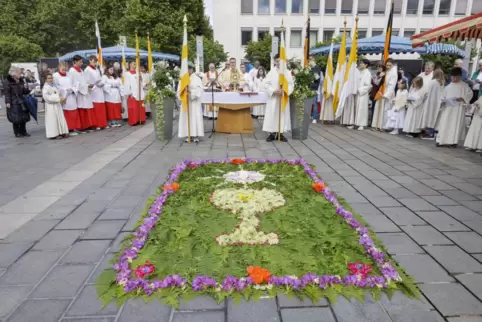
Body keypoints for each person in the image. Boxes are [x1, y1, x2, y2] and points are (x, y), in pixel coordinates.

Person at [436, 67, 473, 147]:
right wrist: (442, 101)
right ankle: (441, 140)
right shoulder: (447, 87)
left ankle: (453, 142)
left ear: (460, 76)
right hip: (447, 108)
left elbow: (470, 94)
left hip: (458, 109)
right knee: (444, 124)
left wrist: (462, 98)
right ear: (451, 76)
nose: (455, 79)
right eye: (453, 77)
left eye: (457, 77)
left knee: (455, 125)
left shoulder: (464, 86)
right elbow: (441, 97)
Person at [263, 54, 294, 142]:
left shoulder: (287, 73)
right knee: (272, 115)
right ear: (275, 62)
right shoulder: (271, 72)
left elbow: (291, 85)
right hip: (273, 98)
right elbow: (266, 84)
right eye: (277, 61)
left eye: (280, 61)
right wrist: (273, 90)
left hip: (283, 97)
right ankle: (272, 133)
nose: (279, 63)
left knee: (282, 114)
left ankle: (281, 133)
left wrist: (284, 91)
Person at [178, 63, 204, 143]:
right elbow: (179, 90)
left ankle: (195, 135)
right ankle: (187, 134)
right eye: (187, 69)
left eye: (190, 69)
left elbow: (200, 90)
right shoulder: (182, 79)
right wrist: (183, 92)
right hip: (186, 102)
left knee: (195, 117)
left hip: (194, 102)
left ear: (192, 69)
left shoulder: (197, 79)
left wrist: (191, 92)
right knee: (186, 117)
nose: (188, 70)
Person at [68, 55, 95, 131]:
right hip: (78, 93)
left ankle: (87, 125)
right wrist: (85, 86)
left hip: (84, 91)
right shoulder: (72, 71)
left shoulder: (81, 71)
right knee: (81, 109)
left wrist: (88, 85)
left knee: (86, 108)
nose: (82, 63)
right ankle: (81, 127)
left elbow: (84, 81)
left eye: (82, 61)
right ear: (75, 62)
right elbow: (73, 83)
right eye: (80, 62)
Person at [54, 62, 81, 136]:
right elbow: (56, 86)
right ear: (59, 67)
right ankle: (67, 129)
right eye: (63, 69)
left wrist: (72, 89)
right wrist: (64, 90)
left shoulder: (70, 75)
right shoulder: (55, 75)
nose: (64, 71)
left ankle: (73, 128)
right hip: (64, 97)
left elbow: (75, 84)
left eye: (66, 69)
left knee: (73, 112)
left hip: (71, 96)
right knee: (66, 113)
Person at [3, 66, 31, 137]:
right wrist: (8, 102)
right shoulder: (7, 81)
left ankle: (23, 131)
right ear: (14, 73)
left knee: (23, 117)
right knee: (16, 118)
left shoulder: (21, 80)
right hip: (13, 102)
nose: (20, 74)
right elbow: (7, 93)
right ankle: (17, 132)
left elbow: (23, 91)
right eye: (19, 73)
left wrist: (28, 90)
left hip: (21, 101)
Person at [372, 59, 397, 130]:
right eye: (387, 65)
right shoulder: (386, 71)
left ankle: (385, 126)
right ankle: (378, 124)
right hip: (382, 91)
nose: (388, 66)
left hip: (388, 93)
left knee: (386, 109)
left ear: (392, 65)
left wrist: (386, 95)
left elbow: (392, 85)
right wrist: (380, 76)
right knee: (380, 109)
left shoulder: (393, 72)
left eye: (390, 65)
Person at [42, 73, 69, 139]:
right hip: (50, 106)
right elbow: (46, 97)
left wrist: (62, 98)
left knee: (60, 118)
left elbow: (57, 93)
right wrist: (58, 98)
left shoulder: (54, 86)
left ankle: (62, 132)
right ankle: (54, 134)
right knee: (53, 120)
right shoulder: (45, 87)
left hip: (57, 105)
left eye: (51, 78)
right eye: (49, 78)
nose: (51, 79)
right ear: (45, 79)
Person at [84, 55, 108, 130]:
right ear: (90, 61)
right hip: (93, 91)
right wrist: (93, 84)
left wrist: (101, 82)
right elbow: (86, 81)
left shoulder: (97, 69)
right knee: (96, 108)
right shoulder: (87, 70)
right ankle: (97, 124)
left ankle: (103, 123)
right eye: (93, 61)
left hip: (99, 90)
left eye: (95, 61)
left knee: (101, 108)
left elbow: (99, 78)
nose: (94, 62)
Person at [420, 69, 445, 139]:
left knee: (428, 116)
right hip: (437, 103)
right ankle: (433, 132)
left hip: (430, 102)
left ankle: (429, 134)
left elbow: (426, 92)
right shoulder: (441, 83)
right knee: (435, 117)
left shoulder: (432, 82)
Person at [124, 61, 146, 126]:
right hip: (133, 93)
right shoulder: (127, 73)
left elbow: (141, 83)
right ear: (130, 65)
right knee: (133, 108)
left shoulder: (138, 73)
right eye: (134, 64)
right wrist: (129, 92)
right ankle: (134, 121)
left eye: (135, 64)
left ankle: (141, 119)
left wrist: (141, 78)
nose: (135, 65)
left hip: (139, 92)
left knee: (140, 107)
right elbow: (126, 84)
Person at [354, 59, 372, 130]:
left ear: (366, 65)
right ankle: (355, 123)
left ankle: (362, 124)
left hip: (363, 94)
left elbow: (368, 85)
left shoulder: (367, 73)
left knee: (362, 109)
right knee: (356, 108)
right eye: (360, 63)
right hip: (357, 93)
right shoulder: (360, 72)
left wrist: (360, 90)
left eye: (362, 63)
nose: (360, 64)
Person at [309, 55, 323, 124]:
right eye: (309, 60)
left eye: (311, 59)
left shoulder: (317, 68)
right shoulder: (309, 68)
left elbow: (317, 78)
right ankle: (311, 115)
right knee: (310, 103)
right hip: (309, 87)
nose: (310, 61)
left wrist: (311, 75)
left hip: (315, 88)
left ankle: (315, 117)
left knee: (314, 103)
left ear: (314, 59)